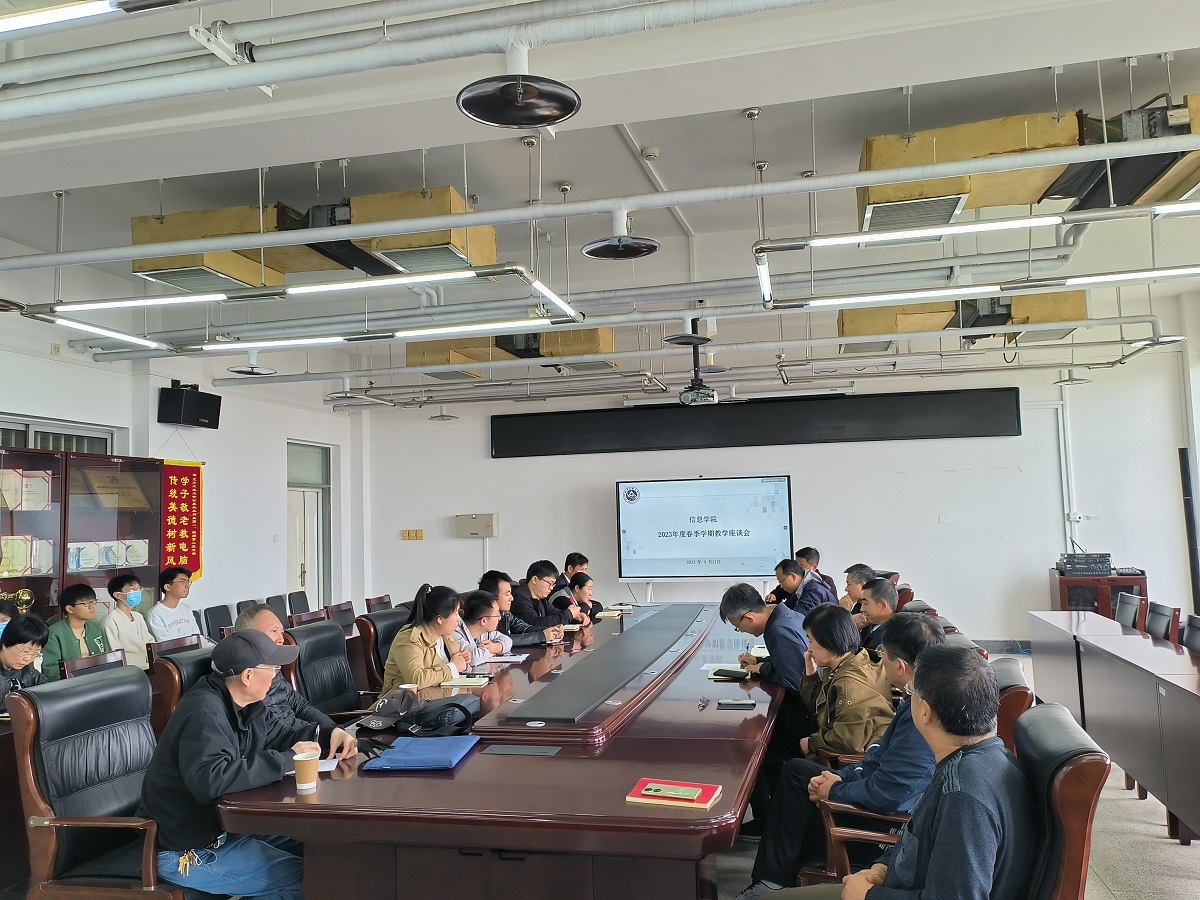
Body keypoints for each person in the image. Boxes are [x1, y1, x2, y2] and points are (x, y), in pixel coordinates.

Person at [771, 644, 1036, 900]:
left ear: (925, 712)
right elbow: (917, 836)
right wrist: (882, 868)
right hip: (892, 881)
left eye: (911, 692)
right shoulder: (979, 758)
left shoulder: (963, 796)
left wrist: (869, 896)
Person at [734, 613, 946, 899]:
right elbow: (876, 757)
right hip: (869, 786)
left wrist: (836, 789)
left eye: (884, 653)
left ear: (900, 665)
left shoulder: (923, 715)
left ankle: (771, 880)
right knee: (797, 772)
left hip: (879, 824)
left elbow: (893, 792)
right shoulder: (915, 699)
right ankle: (773, 877)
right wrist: (840, 778)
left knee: (793, 794)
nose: (880, 660)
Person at [139, 629, 355, 899]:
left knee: (325, 850)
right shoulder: (205, 711)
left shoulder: (246, 704)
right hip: (185, 848)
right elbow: (212, 780)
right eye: (273, 668)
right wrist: (286, 758)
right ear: (248, 676)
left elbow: (283, 733)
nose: (276, 675)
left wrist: (328, 734)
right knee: (305, 881)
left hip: (226, 830)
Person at [233, 603, 356, 757]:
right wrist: (321, 736)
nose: (281, 639)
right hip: (287, 753)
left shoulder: (274, 669)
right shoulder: (245, 684)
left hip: (305, 744)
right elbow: (278, 734)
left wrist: (332, 730)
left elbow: (301, 707)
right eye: (274, 631)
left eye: (281, 632)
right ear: (249, 636)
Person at [796, 604, 892, 761]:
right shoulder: (854, 658)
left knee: (792, 767)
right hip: (859, 745)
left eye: (811, 641)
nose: (809, 649)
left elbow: (846, 740)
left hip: (861, 759)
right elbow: (818, 706)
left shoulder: (849, 684)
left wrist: (811, 743)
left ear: (829, 641)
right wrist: (811, 673)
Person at [381, 584, 472, 693]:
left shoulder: (445, 635)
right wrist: (453, 667)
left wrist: (464, 662)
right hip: (406, 701)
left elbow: (456, 668)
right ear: (440, 619)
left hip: (439, 696)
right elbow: (416, 680)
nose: (459, 619)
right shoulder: (409, 638)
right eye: (456, 613)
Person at [41, 583, 109, 681]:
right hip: (70, 685)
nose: (92, 607)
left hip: (98, 681)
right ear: (70, 609)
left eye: (93, 602)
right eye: (86, 603)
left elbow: (105, 658)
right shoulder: (54, 633)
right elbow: (50, 670)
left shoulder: (96, 628)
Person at [479, 570, 561, 646]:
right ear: (491, 597)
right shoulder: (483, 618)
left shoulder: (506, 614)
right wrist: (541, 636)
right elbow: (503, 640)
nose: (512, 598)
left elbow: (524, 628)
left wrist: (549, 631)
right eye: (507, 594)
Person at [101, 571, 154, 670]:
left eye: (138, 588)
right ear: (117, 595)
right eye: (132, 589)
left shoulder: (138, 616)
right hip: (128, 671)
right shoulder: (111, 621)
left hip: (148, 666)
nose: (137, 592)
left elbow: (149, 642)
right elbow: (115, 653)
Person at [511, 560, 583, 628]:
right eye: (550, 583)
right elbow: (536, 623)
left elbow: (554, 612)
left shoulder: (540, 598)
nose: (551, 588)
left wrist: (576, 616)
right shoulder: (519, 597)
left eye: (553, 584)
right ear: (535, 580)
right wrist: (568, 614)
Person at [148, 566, 210, 644]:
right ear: (168, 587)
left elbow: (197, 638)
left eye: (188, 582)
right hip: (176, 652)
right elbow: (167, 645)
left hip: (194, 650)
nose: (187, 586)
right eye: (182, 582)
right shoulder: (155, 614)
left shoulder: (186, 609)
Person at [453, 590, 512, 665]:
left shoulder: (484, 632)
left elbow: (508, 640)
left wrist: (495, 647)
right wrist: (488, 653)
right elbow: (473, 658)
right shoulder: (455, 632)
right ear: (483, 621)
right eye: (497, 615)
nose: (499, 618)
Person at [0, 614, 49, 702]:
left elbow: (49, 688)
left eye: (35, 653)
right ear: (5, 645)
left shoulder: (28, 669)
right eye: (25, 651)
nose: (28, 658)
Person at [769, 559, 837, 615]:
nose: (781, 586)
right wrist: (767, 610)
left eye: (781, 581)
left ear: (793, 576)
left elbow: (798, 616)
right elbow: (786, 607)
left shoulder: (814, 590)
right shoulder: (803, 588)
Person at [858, 578, 898, 653]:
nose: (861, 609)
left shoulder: (891, 638)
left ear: (883, 606)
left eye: (865, 603)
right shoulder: (870, 625)